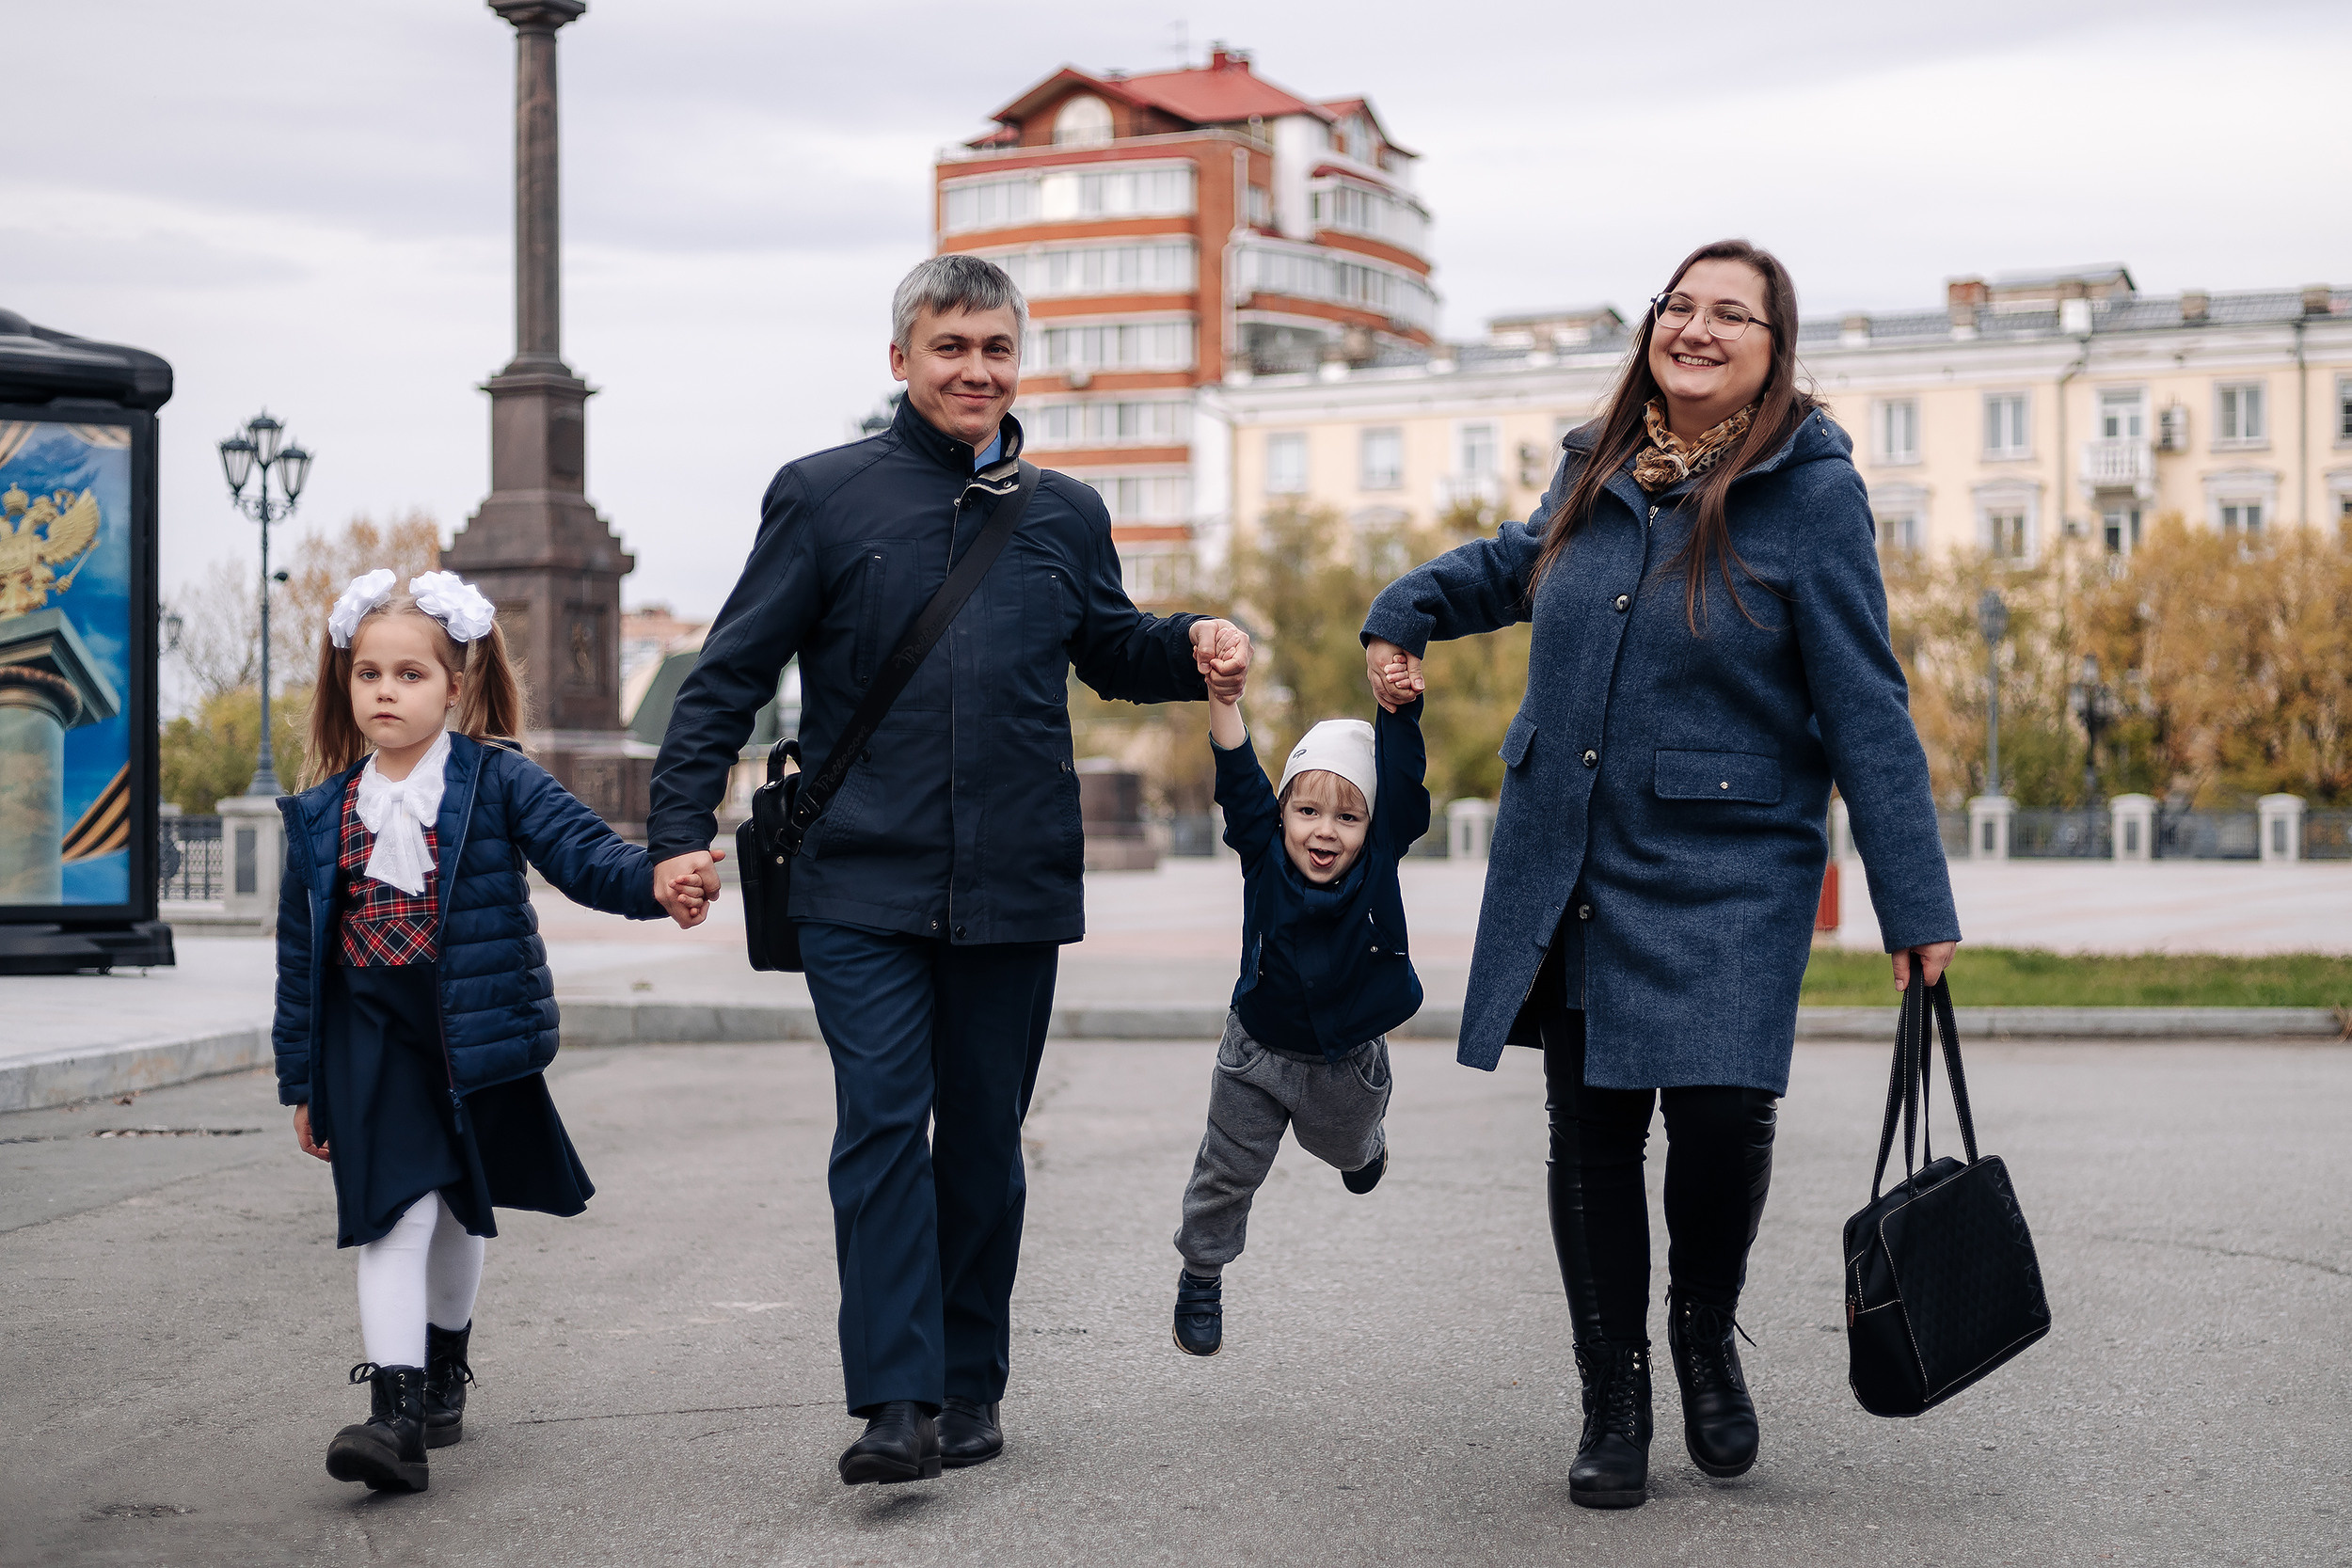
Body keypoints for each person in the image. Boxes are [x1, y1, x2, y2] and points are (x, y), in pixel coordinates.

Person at [1361, 239, 1961, 1510]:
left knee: (1724, 1122)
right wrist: (1401, 604)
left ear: (1772, 345)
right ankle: (1616, 1394)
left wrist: (1917, 901)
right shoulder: (1597, 461)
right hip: (1577, 849)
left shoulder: (1811, 488)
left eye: (1728, 314)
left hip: (1734, 860)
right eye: (1678, 307)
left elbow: (1867, 699)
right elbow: (1516, 564)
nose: (1695, 327)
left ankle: (1702, 1332)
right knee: (1589, 1134)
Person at [645, 255, 1252, 1486]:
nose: (974, 369)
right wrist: (674, 827)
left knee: (982, 1136)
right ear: (902, 361)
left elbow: (1113, 651)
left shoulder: (1064, 512)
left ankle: (970, 1377)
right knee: (879, 1121)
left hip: (1015, 878)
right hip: (859, 876)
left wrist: (1191, 646)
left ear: (1014, 360)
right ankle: (894, 1396)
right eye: (950, 347)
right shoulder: (822, 497)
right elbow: (727, 672)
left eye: (993, 348)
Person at [272, 569, 701, 1496]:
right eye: (369, 673)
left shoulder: (497, 778)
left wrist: (659, 882)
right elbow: (299, 957)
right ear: (344, 684)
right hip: (368, 1040)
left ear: (454, 686)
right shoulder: (320, 812)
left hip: (468, 1028)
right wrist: (300, 1078)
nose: (387, 690)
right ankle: (392, 1417)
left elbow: (589, 858)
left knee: (457, 1207)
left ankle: (442, 1370)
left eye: (411, 674)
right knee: (396, 1210)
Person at [1168, 656, 1430, 1357]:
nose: (1324, 830)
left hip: (1345, 1060)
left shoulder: (1378, 861)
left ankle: (1366, 1147)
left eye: (1348, 816)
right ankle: (1201, 1274)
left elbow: (1403, 782)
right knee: (1225, 1171)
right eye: (1307, 810)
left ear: (1370, 827)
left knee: (1345, 1147)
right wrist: (1223, 698)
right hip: (1255, 1050)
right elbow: (1237, 773)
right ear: (1282, 812)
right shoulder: (1262, 851)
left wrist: (1397, 708)